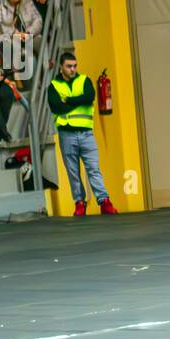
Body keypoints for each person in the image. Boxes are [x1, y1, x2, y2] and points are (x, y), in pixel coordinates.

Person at [48, 52, 118, 216]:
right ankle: (80, 203)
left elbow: (89, 97)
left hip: (87, 134)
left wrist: (69, 100)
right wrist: (78, 101)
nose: (72, 69)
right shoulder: (53, 86)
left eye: (74, 66)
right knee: (73, 172)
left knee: (94, 169)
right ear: (61, 67)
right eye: (69, 66)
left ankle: (104, 202)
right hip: (66, 135)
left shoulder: (84, 81)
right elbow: (56, 107)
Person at [0, 0, 43, 70]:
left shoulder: (28, 3)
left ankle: (46, 66)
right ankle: (16, 71)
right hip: (10, 38)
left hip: (28, 36)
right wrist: (14, 33)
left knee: (40, 40)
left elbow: (38, 20)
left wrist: (28, 33)